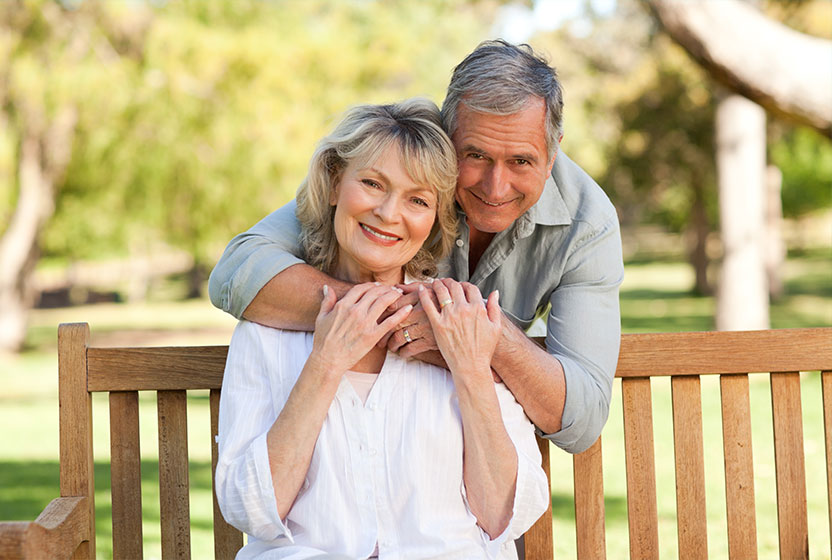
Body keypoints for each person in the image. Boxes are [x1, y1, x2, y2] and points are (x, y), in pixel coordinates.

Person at [209, 40, 624, 454]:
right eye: (475, 155)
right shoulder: (403, 169)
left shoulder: (588, 224)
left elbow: (582, 420)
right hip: (361, 439)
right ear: (448, 135)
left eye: (521, 161)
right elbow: (237, 271)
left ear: (552, 156)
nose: (495, 187)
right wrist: (390, 312)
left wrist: (472, 334)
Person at [215, 99, 549, 559]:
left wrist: (470, 368)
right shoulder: (267, 327)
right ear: (335, 183)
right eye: (373, 184)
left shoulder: (461, 324)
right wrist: (326, 362)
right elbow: (250, 509)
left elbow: (505, 517)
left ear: (435, 218)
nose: (390, 213)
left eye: (417, 199)